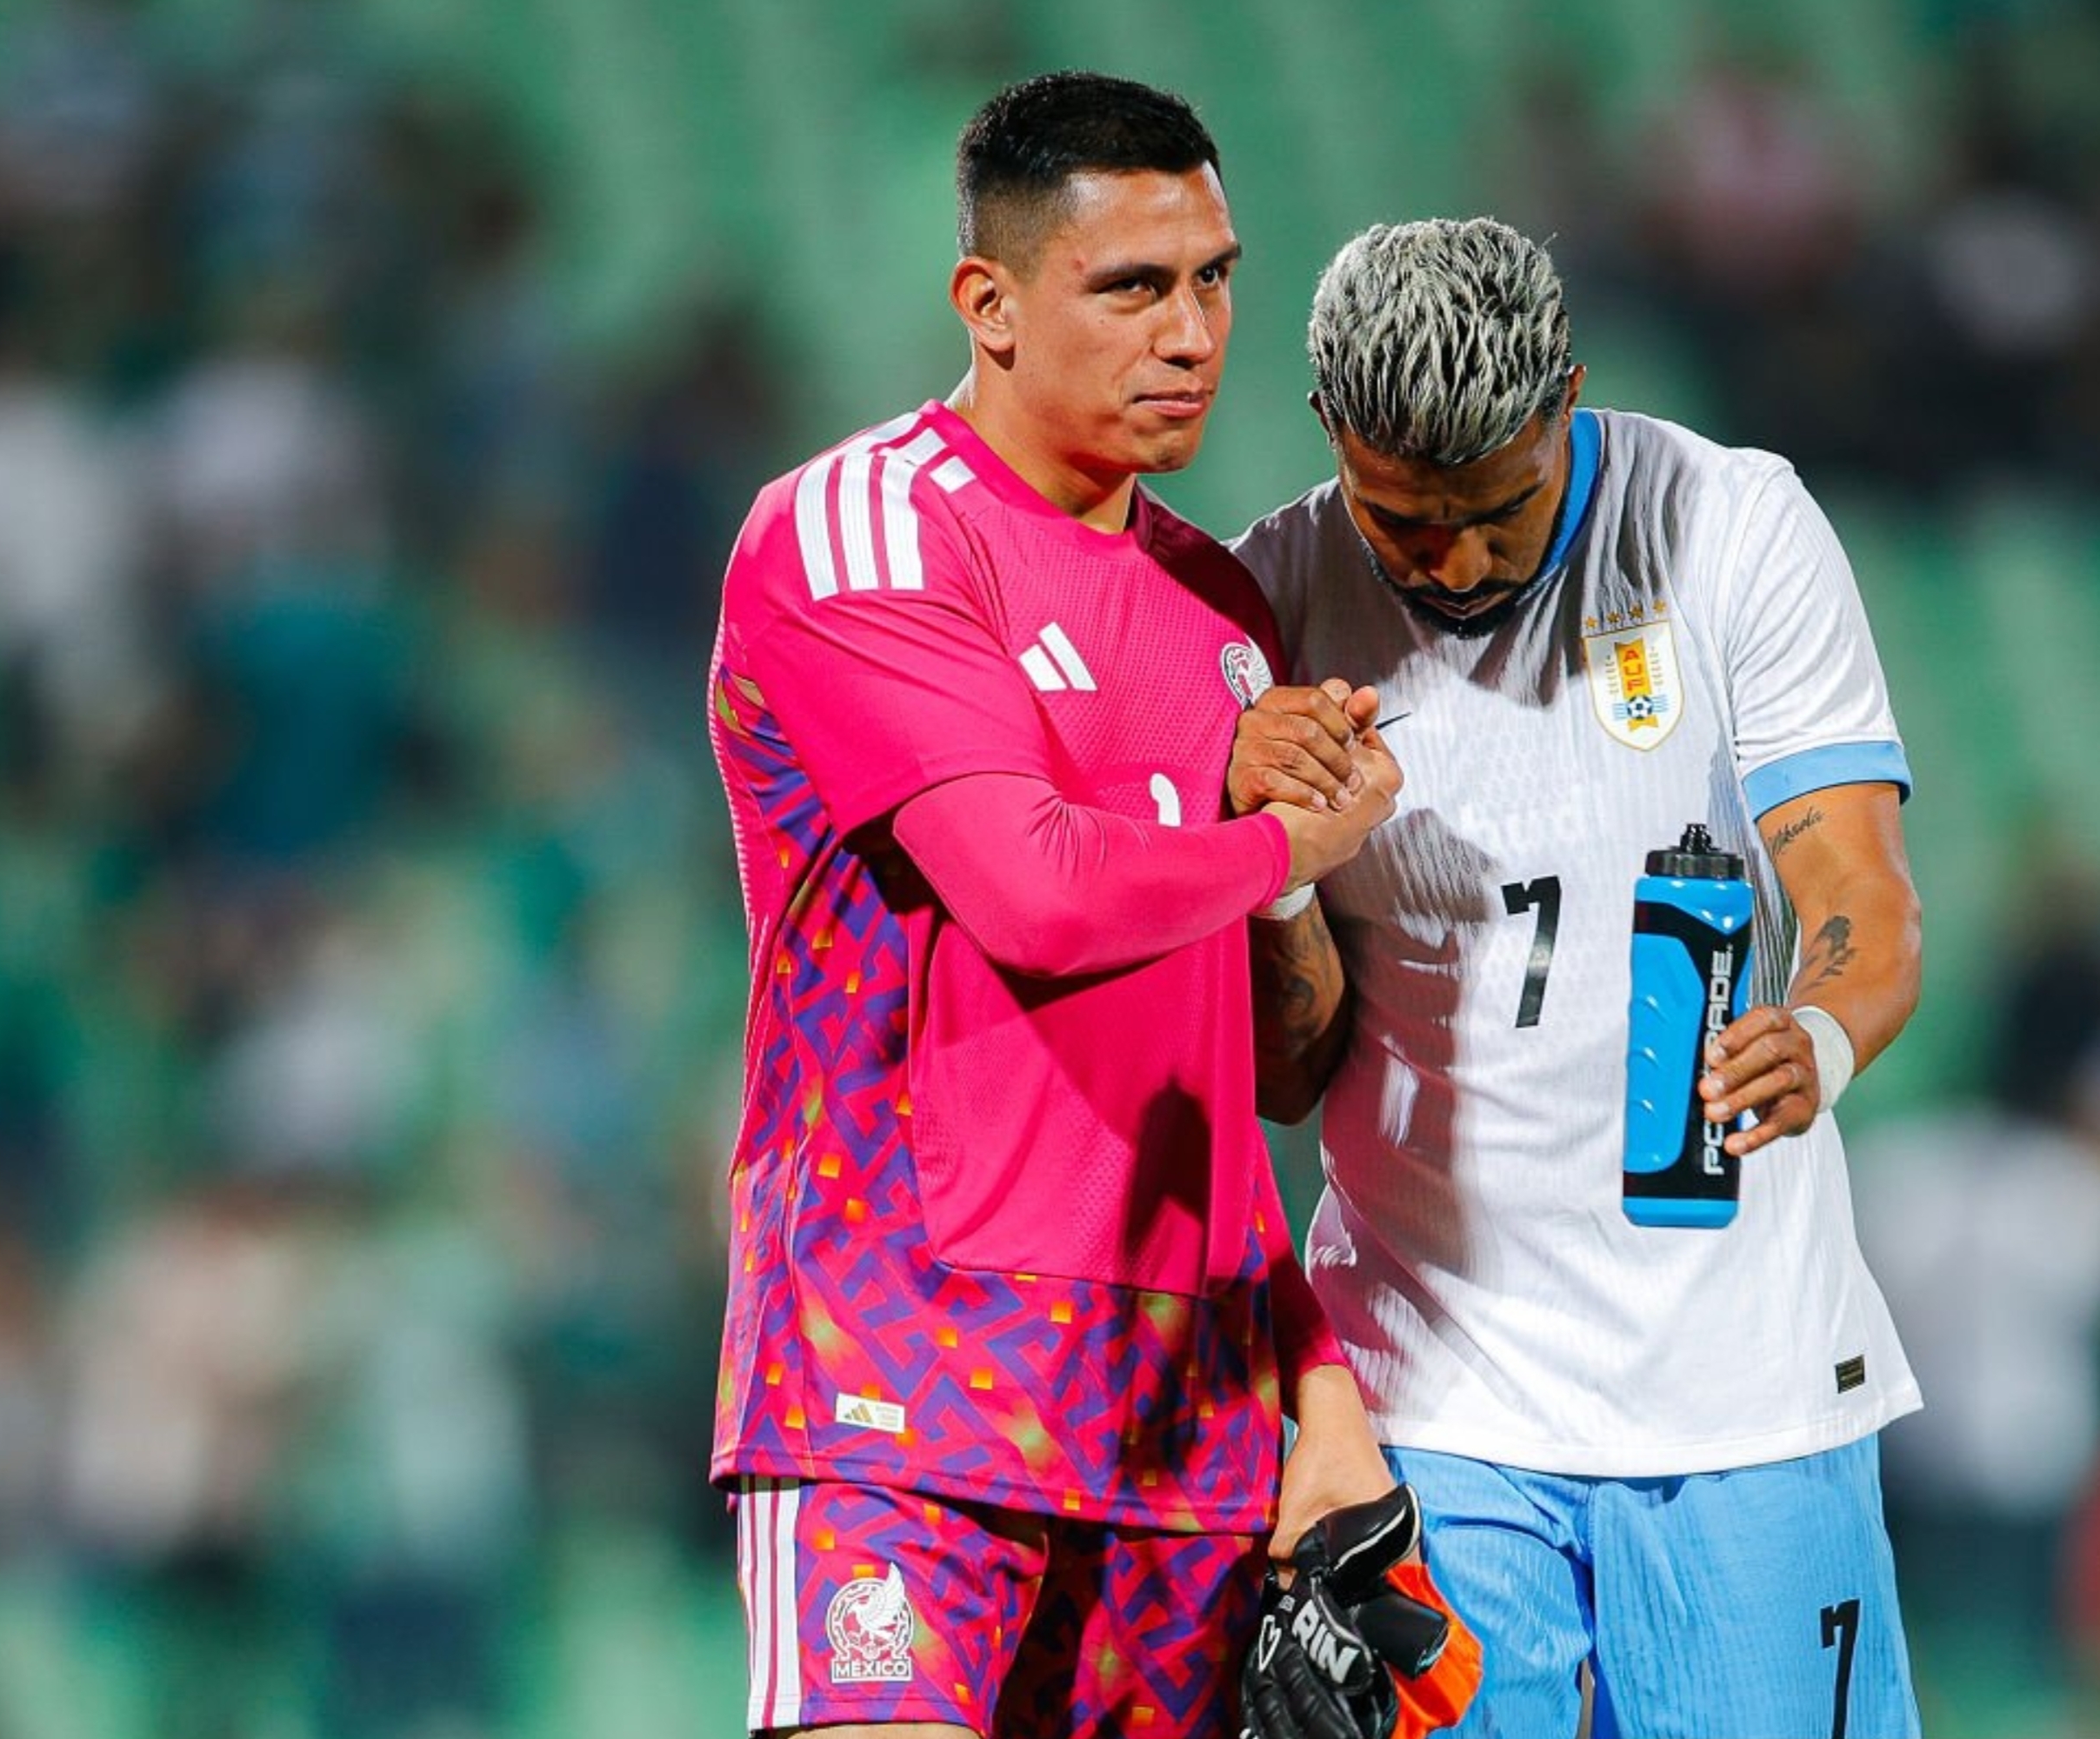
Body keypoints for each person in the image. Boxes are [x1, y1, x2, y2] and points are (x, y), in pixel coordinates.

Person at [704, 72, 1399, 1738]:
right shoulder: (859, 531)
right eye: (1134, 286)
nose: (1192, 333)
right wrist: (1286, 850)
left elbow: (1275, 1074)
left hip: (1179, 1420)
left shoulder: (1224, 606)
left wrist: (1309, 1374)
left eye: (1216, 278)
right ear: (991, 304)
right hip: (896, 1373)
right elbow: (1035, 895)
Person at [1228, 217, 1928, 1738]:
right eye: (1404, 522)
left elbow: (1863, 904)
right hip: (1430, 1385)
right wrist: (1276, 871)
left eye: (1501, 508)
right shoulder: (1262, 608)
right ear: (1329, 438)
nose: (1460, 562)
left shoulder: (1733, 525)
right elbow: (1287, 1075)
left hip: (1744, 1381)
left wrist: (1817, 1033)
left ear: (1570, 404)